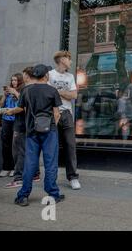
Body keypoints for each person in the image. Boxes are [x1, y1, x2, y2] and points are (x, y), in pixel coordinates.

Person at [14, 64, 64, 206]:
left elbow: (21, 108)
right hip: (49, 132)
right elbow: (56, 113)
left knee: (30, 163)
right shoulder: (52, 90)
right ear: (46, 76)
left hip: (31, 131)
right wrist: (50, 125)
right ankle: (53, 194)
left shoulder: (25, 91)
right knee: (50, 163)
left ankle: (23, 196)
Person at [48, 51, 81, 190]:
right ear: (62, 59)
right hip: (52, 113)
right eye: (69, 59)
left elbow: (73, 95)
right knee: (52, 146)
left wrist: (57, 91)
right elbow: (47, 94)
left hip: (67, 113)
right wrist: (64, 94)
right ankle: (51, 178)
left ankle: (73, 177)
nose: (71, 62)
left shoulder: (70, 76)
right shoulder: (49, 74)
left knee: (70, 146)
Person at [4, 67, 40, 188]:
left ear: (26, 76)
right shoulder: (37, 88)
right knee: (29, 151)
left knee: (19, 152)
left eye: (23, 75)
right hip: (31, 124)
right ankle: (35, 174)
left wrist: (11, 111)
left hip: (21, 125)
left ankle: (19, 178)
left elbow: (23, 106)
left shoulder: (25, 89)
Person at [0, 73, 24, 177]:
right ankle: (6, 167)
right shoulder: (8, 92)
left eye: (16, 80)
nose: (13, 82)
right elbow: (0, 106)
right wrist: (4, 95)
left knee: (16, 145)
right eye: (12, 80)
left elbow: (23, 103)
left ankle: (15, 167)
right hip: (6, 120)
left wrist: (15, 93)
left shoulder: (22, 91)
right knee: (6, 144)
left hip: (16, 120)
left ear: (20, 81)